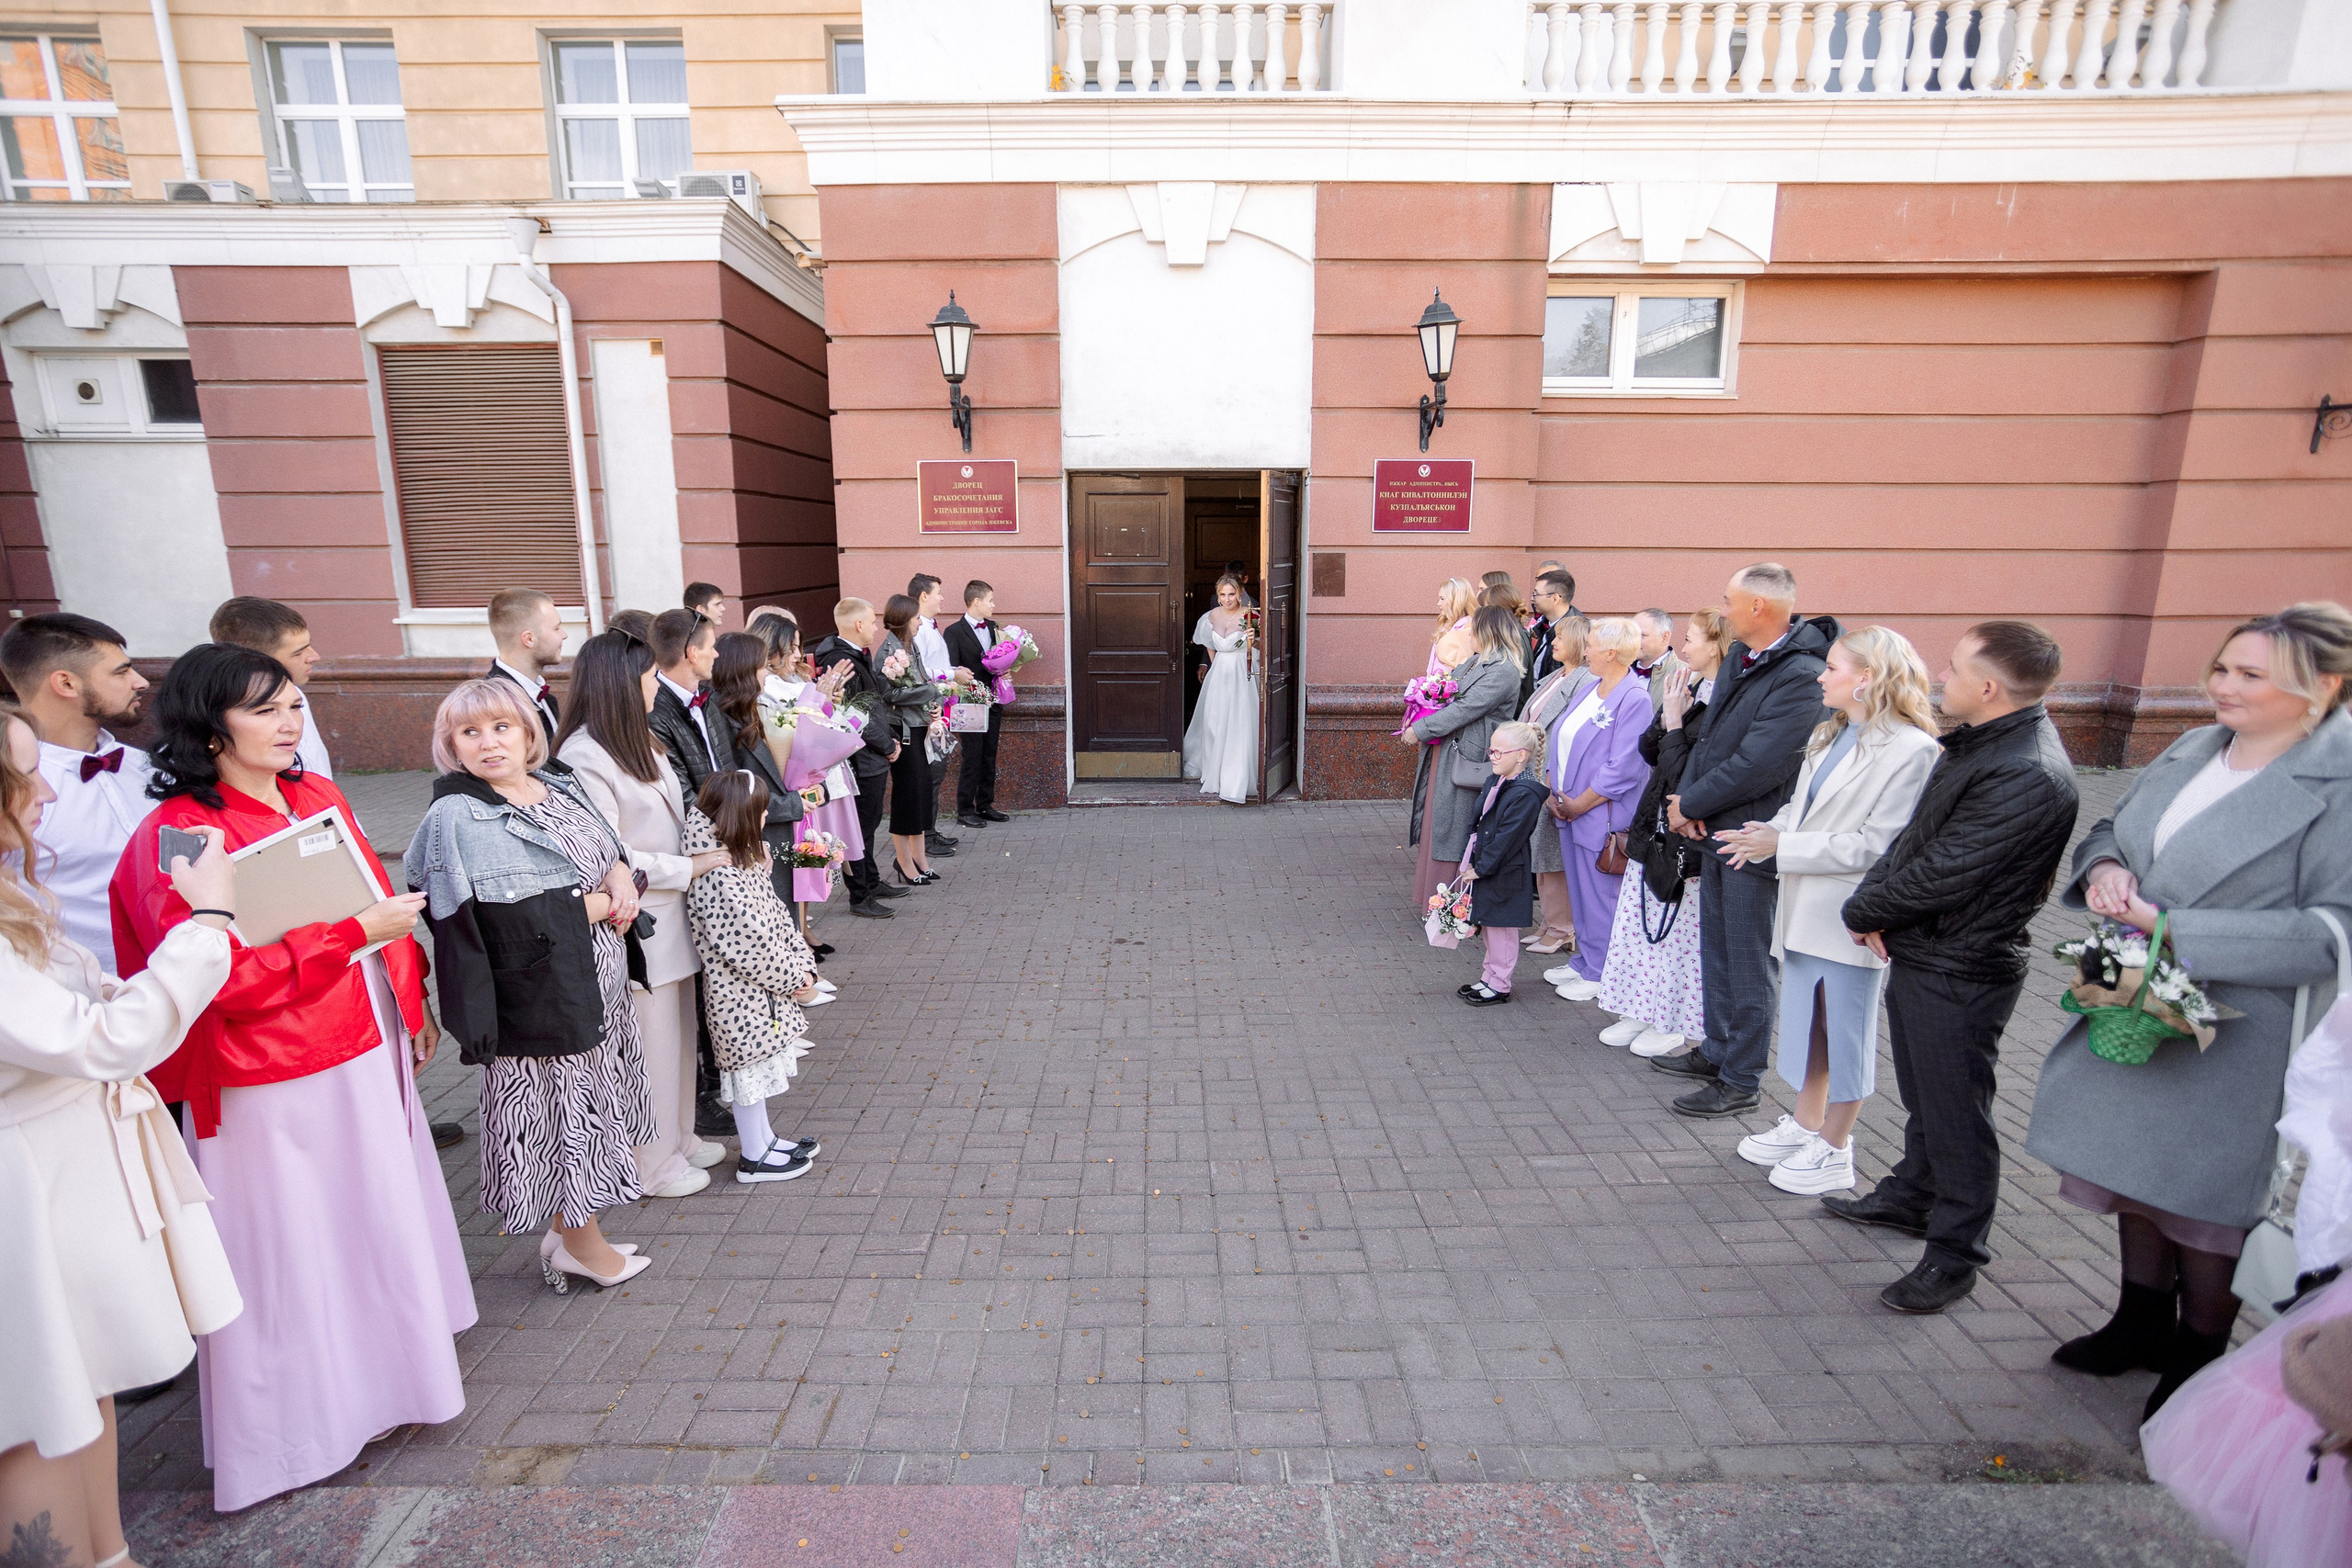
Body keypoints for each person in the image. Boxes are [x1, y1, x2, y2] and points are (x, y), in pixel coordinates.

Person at [108, 643, 473, 1513]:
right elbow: (213, 978)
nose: (288, 722)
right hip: (265, 1071)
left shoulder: (316, 795)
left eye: (293, 705)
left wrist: (409, 1001)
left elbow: (379, 906)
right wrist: (349, 938)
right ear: (208, 727)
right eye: (263, 708)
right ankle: (295, 1433)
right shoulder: (179, 835)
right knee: (291, 1250)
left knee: (370, 1219)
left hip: (360, 1040)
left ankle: (391, 1383)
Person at [2025, 603, 2352, 1414]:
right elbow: (2114, 825)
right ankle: (2138, 1321)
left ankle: (2198, 1354)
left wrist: (2174, 926)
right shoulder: (2195, 745)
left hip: (2241, 1030)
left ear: (2325, 686)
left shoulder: (2339, 783)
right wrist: (2106, 868)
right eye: (2222, 668)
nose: (2223, 686)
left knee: (2205, 1204)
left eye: (2251, 675)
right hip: (2137, 993)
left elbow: (2332, 933)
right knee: (2133, 1168)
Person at [0, 705, 242, 1568]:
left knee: (88, 1377)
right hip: (29, 1186)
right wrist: (205, 925)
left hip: (69, 1167)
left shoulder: (10, 889)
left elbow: (70, 1006)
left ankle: (111, 1555)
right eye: (23, 773)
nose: (43, 791)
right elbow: (97, 1042)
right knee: (39, 1412)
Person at [1829, 620, 2081, 1314]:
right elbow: (1915, 842)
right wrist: (1875, 905)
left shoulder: (2025, 770)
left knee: (1958, 1113)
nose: (1942, 677)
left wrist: (1863, 909)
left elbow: (1945, 870)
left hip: (1963, 964)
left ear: (1990, 687)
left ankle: (1955, 1255)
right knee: (1927, 1094)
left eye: (1955, 668)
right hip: (1931, 949)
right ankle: (1913, 1194)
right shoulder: (1981, 743)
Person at [404, 679, 661, 1289]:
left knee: (593, 1107)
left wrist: (619, 877)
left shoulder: (558, 784)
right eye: (470, 732)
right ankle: (582, 1246)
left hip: (596, 977)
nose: (489, 743)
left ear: (527, 733)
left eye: (502, 727)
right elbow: (501, 922)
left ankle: (571, 1233)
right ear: (451, 745)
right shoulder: (455, 816)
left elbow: (609, 848)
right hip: (537, 996)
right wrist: (604, 903)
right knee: (561, 1120)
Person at [1714, 626, 1942, 1197]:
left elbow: (1879, 844)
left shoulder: (1913, 750)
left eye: (1833, 667)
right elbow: (1802, 807)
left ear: (1867, 677)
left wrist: (1783, 846)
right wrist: (1767, 833)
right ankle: (1806, 1122)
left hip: (1853, 914)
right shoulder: (1831, 732)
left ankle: (1837, 1148)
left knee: (1844, 1030)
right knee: (1809, 1023)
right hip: (1803, 907)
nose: (1821, 675)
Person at [1653, 564, 1838, 1120]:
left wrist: (1692, 804)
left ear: (1759, 606)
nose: (1723, 609)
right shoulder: (1742, 655)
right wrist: (1688, 804)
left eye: (1729, 600)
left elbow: (1761, 763)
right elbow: (1711, 740)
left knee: (1748, 958)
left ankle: (1741, 1077)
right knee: (1718, 949)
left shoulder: (1802, 674)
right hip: (1714, 824)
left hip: (1751, 836)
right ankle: (1716, 1051)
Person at [555, 631, 728, 1201]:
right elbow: (607, 851)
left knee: (678, 1037)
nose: (658, 683)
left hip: (673, 913)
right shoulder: (584, 755)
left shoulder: (640, 740)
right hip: (637, 919)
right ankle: (650, 1163)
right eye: (651, 676)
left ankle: (679, 1138)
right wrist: (687, 867)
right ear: (623, 684)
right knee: (650, 1046)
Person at [1597, 609, 1732, 1059]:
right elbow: (1650, 750)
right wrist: (1669, 718)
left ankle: (1673, 1019)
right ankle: (1638, 1006)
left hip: (1686, 831)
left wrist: (1674, 722)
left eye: (1691, 638)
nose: (1683, 647)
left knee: (1676, 932)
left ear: (1716, 644)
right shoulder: (1689, 686)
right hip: (1654, 820)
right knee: (1640, 923)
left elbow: (1687, 774)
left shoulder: (1727, 701)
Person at [686, 770, 827, 1184]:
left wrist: (800, 963)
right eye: (761, 812)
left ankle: (764, 1141)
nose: (766, 817)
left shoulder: (735, 859)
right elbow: (749, 944)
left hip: (758, 994)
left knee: (759, 1070)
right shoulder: (719, 874)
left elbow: (774, 919)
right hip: (738, 996)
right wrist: (794, 975)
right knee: (747, 1074)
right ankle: (753, 1155)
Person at [0, 614, 153, 972]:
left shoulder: (149, 767)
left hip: (194, 974)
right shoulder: (17, 794)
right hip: (84, 988)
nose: (141, 682)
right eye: (121, 672)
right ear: (66, 683)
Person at [1540, 617, 1655, 1004]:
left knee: (1602, 896)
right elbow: (1562, 736)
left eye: (1590, 644)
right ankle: (1585, 960)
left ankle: (1603, 971)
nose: (1585, 650)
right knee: (1580, 891)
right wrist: (1554, 790)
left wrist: (1579, 803)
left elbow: (1623, 767)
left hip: (1601, 813)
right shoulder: (1591, 687)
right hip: (1570, 807)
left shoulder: (1634, 698)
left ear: (1611, 652)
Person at [752, 615, 861, 953]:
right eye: (792, 648)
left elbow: (812, 724)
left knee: (808, 854)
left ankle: (804, 927)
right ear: (771, 649)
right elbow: (787, 728)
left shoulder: (795, 678)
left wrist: (827, 703)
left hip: (806, 783)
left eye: (799, 647)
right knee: (795, 860)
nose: (799, 654)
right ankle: (796, 933)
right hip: (783, 787)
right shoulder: (765, 685)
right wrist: (818, 699)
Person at [1407, 605, 1526, 910]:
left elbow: (1466, 708)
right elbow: (1448, 696)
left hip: (1469, 761)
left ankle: (1453, 904)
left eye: (1475, 629)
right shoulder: (1475, 661)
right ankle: (1436, 900)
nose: (1469, 633)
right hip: (1450, 752)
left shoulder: (1504, 670)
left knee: (1454, 827)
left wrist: (1420, 729)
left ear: (1490, 632)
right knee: (1440, 823)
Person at [806, 600, 905, 920]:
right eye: (872, 622)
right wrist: (885, 744)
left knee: (869, 825)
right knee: (859, 828)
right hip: (861, 757)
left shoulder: (854, 656)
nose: (877, 627)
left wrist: (888, 736)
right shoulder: (840, 660)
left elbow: (871, 706)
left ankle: (871, 882)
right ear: (858, 625)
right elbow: (852, 714)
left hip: (871, 753)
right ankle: (860, 894)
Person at [709, 632, 812, 911]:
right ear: (743, 671)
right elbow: (735, 791)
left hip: (772, 833)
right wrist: (791, 804)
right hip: (757, 838)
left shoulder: (748, 710)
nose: (766, 673)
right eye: (761, 666)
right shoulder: (721, 720)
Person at [1455, 720, 1549, 1006]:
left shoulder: (1525, 793)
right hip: (1491, 864)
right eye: (1491, 750)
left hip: (1505, 871)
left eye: (1499, 752)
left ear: (1521, 755)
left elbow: (1508, 838)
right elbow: (1481, 821)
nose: (1492, 757)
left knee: (1503, 931)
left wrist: (1482, 868)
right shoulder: (1500, 780)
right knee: (1490, 925)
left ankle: (1500, 984)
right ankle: (1490, 977)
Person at [1519, 615, 1594, 956]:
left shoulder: (1585, 679)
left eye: (1560, 637)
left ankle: (1564, 928)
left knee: (1552, 854)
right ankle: (1550, 923)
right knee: (1540, 850)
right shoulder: (1555, 675)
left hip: (1555, 777)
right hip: (1534, 771)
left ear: (1577, 643)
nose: (1554, 643)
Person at [209, 596, 332, 780]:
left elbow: (315, 769)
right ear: (257, 659)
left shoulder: (292, 693)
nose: (314, 656)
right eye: (298, 652)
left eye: (295, 707)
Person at [877, 595, 945, 887]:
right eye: (917, 618)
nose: (920, 622)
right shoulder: (887, 653)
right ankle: (904, 862)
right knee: (907, 795)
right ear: (905, 619)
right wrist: (929, 693)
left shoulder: (910, 646)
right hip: (902, 732)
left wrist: (934, 705)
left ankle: (920, 859)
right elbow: (889, 695)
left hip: (918, 728)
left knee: (920, 793)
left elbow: (922, 683)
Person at [1184, 574, 1261, 805]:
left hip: (1241, 673)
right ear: (1218, 596)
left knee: (1239, 722)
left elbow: (1262, 647)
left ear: (1240, 593)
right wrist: (1214, 665)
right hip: (1218, 675)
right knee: (1214, 722)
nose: (1227, 599)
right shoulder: (1210, 617)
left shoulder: (1251, 616)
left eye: (1232, 594)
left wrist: (1254, 639)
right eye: (1223, 594)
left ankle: (1236, 777)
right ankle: (1214, 772)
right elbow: (1209, 643)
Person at [943, 581, 1012, 829]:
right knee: (971, 756)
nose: (993, 605)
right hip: (968, 701)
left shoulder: (994, 628)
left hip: (992, 699)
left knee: (989, 754)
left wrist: (1005, 669)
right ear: (976, 601)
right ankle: (965, 809)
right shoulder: (954, 632)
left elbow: (1001, 657)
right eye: (990, 600)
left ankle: (985, 804)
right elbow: (951, 667)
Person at [906, 575, 965, 860]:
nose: (942, 598)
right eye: (938, 593)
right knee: (930, 774)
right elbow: (917, 672)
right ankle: (925, 835)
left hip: (938, 709)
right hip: (926, 712)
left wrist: (952, 674)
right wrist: (953, 674)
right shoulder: (918, 631)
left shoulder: (929, 627)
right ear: (923, 597)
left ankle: (929, 829)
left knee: (936, 773)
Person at [647, 606, 732, 797]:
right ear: (693, 654)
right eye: (711, 647)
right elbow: (681, 794)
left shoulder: (709, 699)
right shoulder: (655, 715)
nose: (716, 654)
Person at [487, 586, 567, 748]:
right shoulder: (494, 704)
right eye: (556, 628)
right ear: (529, 639)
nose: (564, 635)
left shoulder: (545, 698)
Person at [1529, 570, 1577, 683]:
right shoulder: (1543, 626)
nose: (1532, 598)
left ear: (1555, 599)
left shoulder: (1576, 634)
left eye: (1536, 594)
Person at [1634, 609, 1685, 708]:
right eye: (1631, 634)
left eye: (1642, 635)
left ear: (1664, 637)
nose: (1633, 640)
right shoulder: (1619, 670)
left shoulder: (1684, 676)